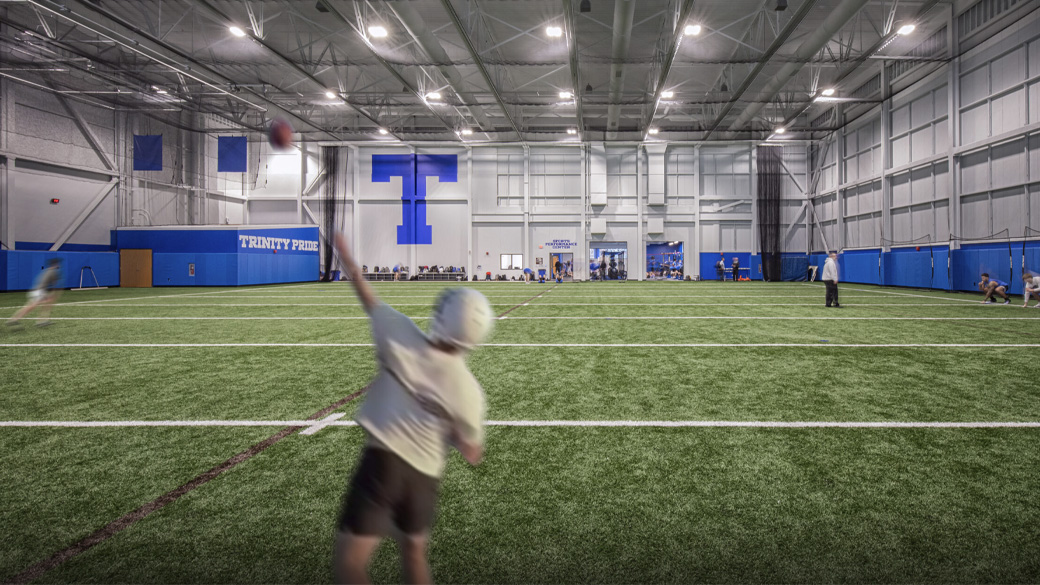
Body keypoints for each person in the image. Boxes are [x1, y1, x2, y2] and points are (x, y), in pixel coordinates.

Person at [331, 233, 492, 585]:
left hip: (383, 462)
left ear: (442, 317)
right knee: (414, 553)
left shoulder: (400, 332)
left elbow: (367, 297)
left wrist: (346, 257)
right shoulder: (470, 392)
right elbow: (472, 451)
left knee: (350, 565)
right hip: (425, 478)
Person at [7, 258, 63, 327]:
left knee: (39, 305)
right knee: (33, 306)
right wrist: (54, 293)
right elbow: (56, 284)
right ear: (56, 264)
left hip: (36, 291)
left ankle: (16, 319)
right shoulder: (53, 272)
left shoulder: (46, 271)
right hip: (40, 292)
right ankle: (15, 320)